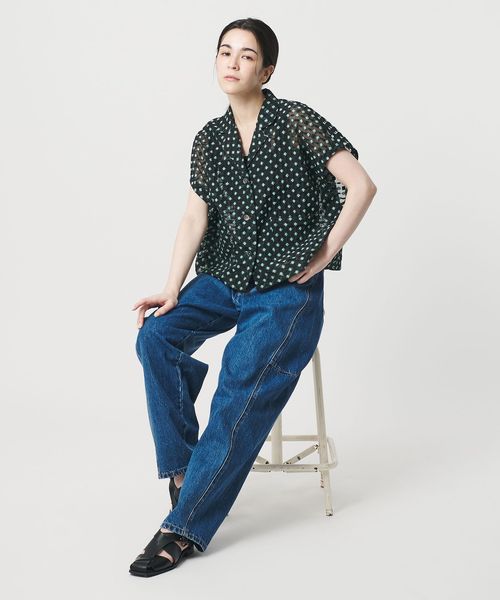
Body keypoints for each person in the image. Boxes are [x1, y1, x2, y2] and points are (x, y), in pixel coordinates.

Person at [129, 17, 377, 577]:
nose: (233, 62)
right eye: (225, 52)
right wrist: (171, 288)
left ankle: (183, 528)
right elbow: (194, 216)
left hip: (283, 293)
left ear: (266, 70)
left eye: (246, 55)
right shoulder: (209, 139)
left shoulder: (295, 120)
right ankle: (185, 472)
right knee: (156, 337)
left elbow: (361, 184)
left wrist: (324, 253)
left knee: (236, 389)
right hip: (224, 279)